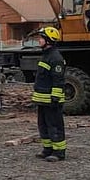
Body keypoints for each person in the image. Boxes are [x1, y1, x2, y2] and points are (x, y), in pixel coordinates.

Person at [31, 26, 67, 162]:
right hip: (43, 99)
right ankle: (48, 149)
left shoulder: (55, 58)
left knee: (55, 125)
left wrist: (55, 97)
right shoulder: (46, 56)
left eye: (41, 38)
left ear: (48, 40)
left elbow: (58, 80)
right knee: (43, 125)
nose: (38, 40)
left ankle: (59, 152)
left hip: (52, 100)